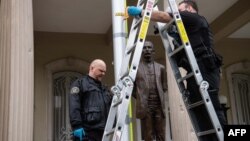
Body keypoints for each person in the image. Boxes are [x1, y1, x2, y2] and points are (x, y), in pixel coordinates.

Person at [128, 0, 226, 140]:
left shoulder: (194, 18)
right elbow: (182, 55)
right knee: (200, 112)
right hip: (195, 71)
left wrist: (143, 13)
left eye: (180, 10)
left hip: (205, 69)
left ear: (189, 8)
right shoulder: (189, 31)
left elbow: (164, 16)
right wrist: (175, 36)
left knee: (212, 108)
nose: (178, 13)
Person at [69, 59, 112, 141]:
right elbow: (74, 105)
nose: (103, 74)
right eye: (101, 71)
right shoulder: (80, 84)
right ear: (92, 68)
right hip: (86, 133)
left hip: (102, 133)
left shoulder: (104, 89)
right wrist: (76, 126)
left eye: (104, 72)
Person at [133, 41, 167, 141]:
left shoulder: (161, 68)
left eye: (149, 47)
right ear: (141, 51)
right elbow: (132, 89)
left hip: (158, 105)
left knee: (161, 133)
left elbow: (164, 87)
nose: (147, 50)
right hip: (145, 106)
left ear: (153, 51)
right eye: (144, 48)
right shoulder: (136, 68)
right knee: (148, 134)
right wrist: (141, 97)